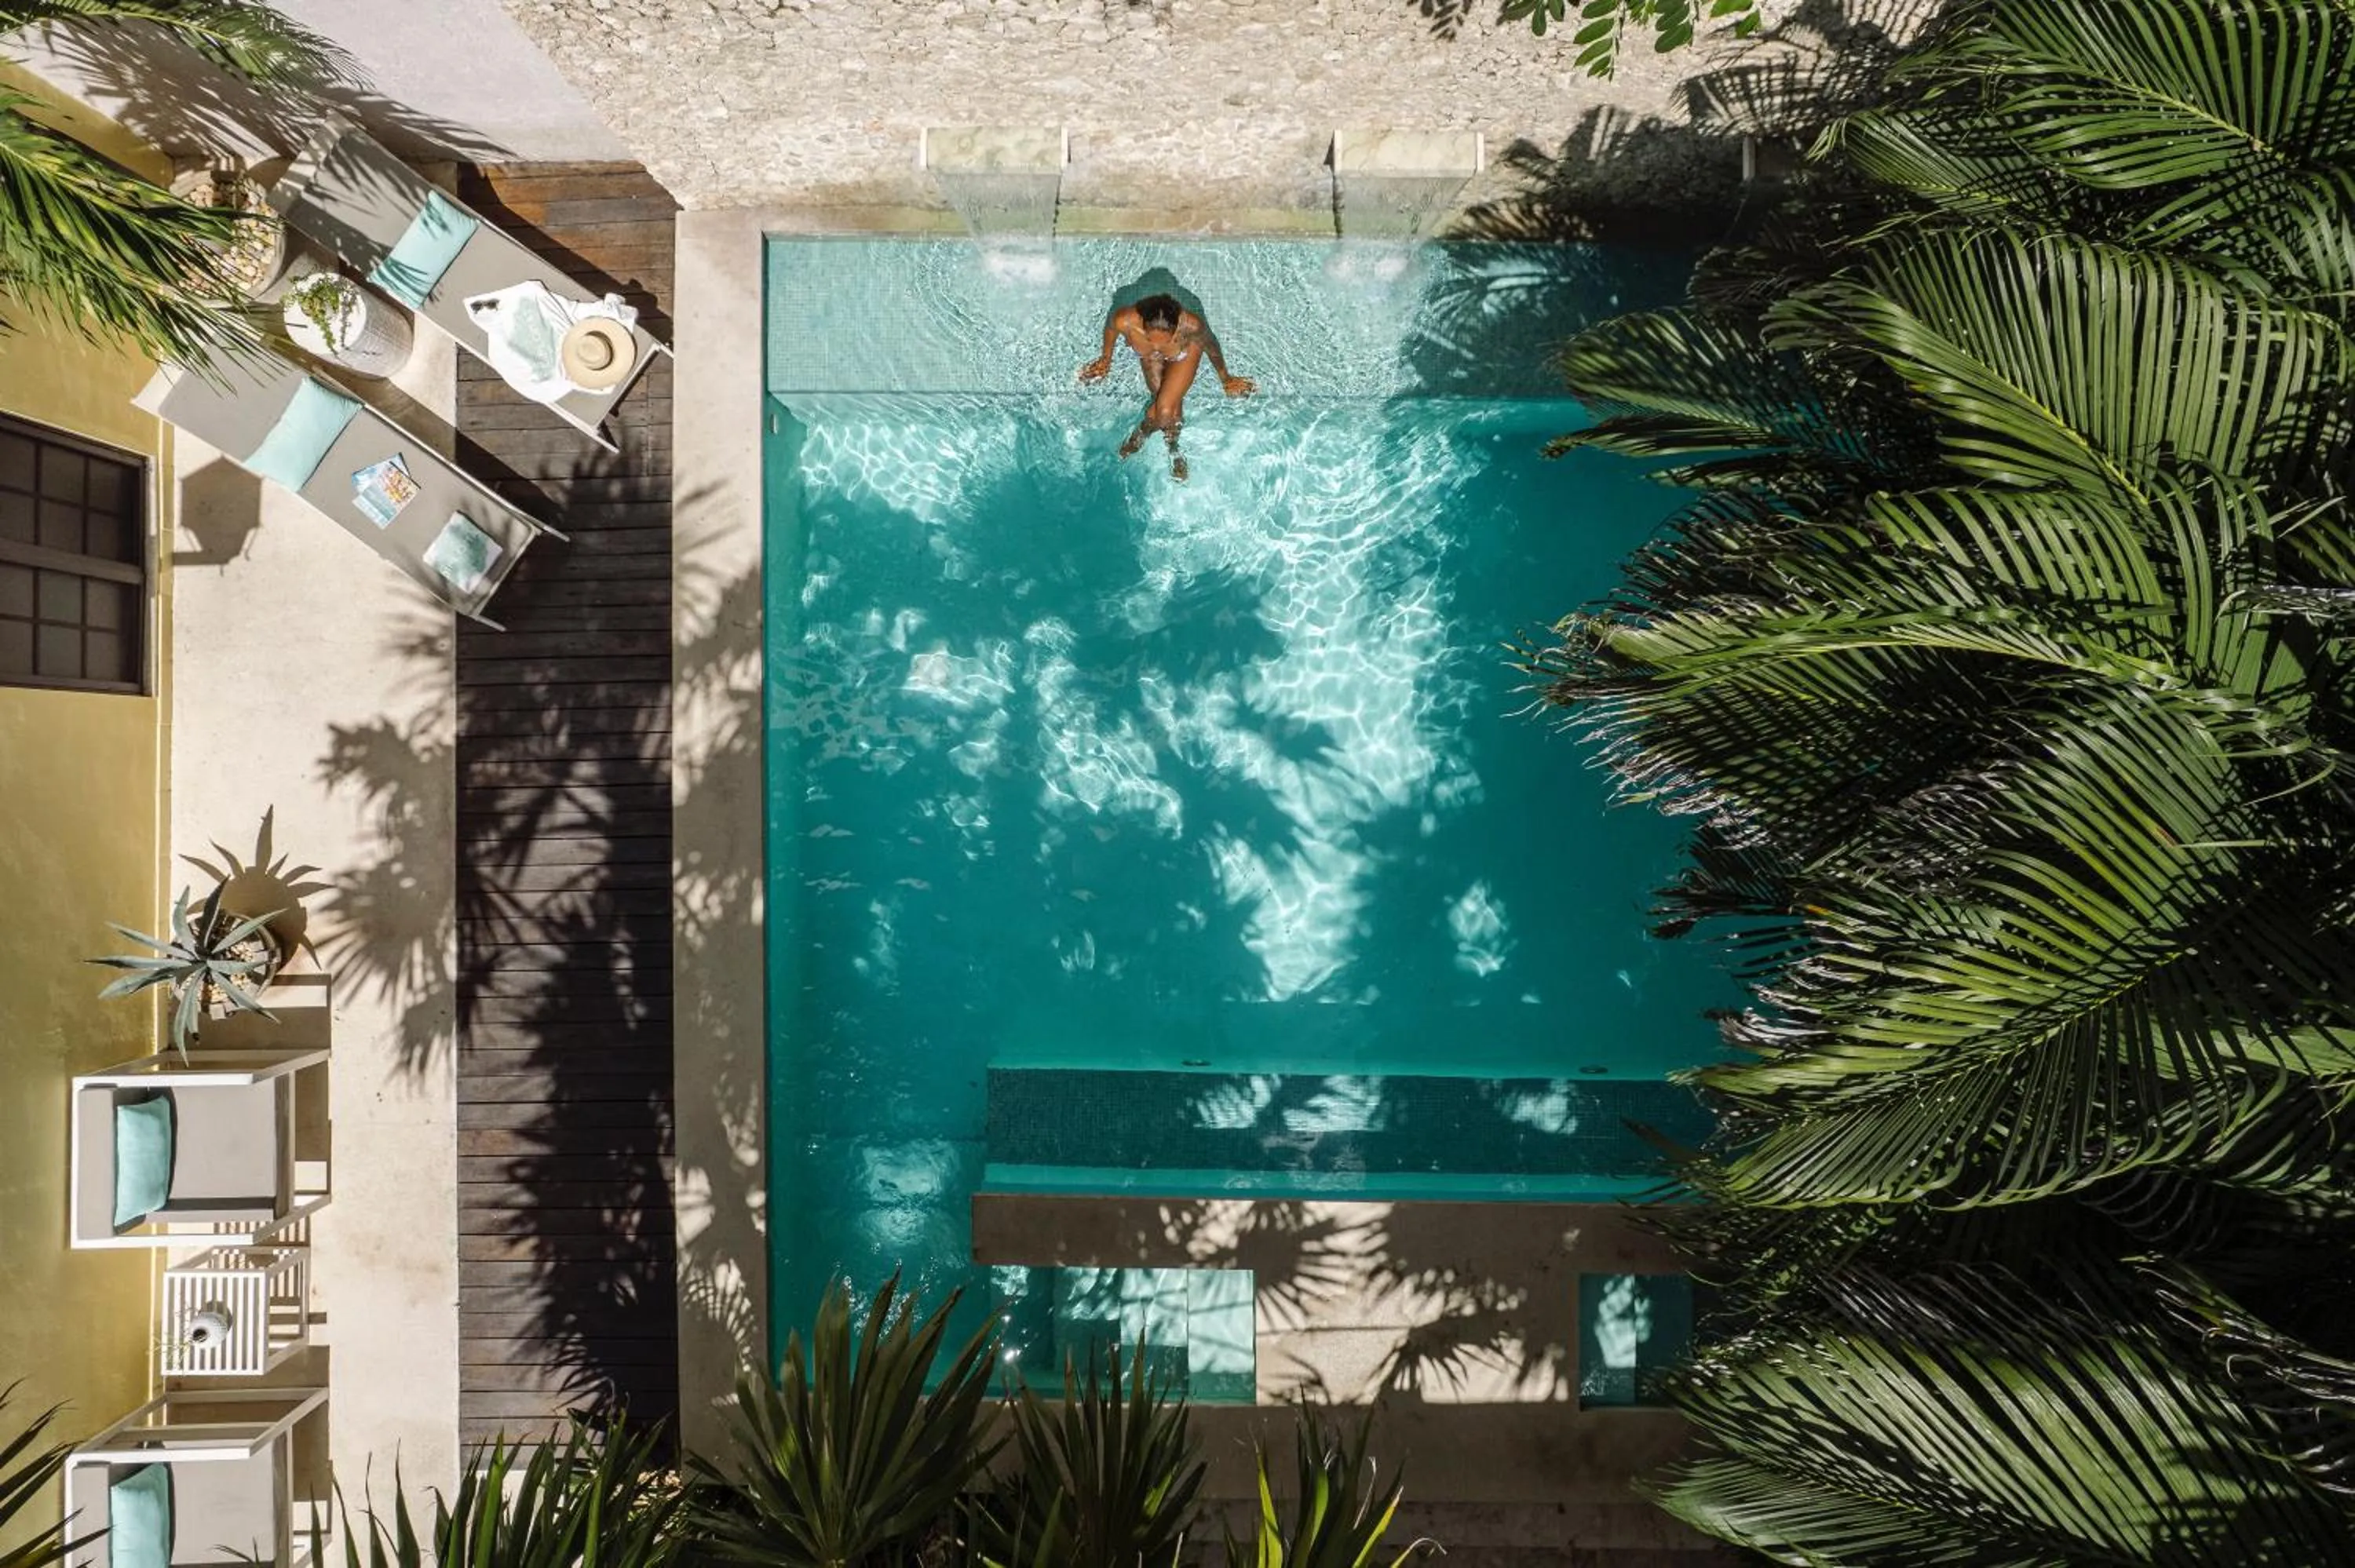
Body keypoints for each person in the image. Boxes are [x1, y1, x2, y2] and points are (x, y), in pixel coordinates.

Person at [1078, 292, 1254, 481]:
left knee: (1164, 408)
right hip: (1149, 359)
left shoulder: (1192, 326)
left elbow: (1212, 347)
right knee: (1165, 401)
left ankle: (1142, 434)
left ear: (1177, 328)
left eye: (1165, 341)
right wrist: (1105, 360)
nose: (1157, 346)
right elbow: (1111, 329)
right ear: (1142, 324)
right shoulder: (1125, 320)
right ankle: (1174, 448)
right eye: (1150, 339)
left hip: (1185, 353)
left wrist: (1226, 378)